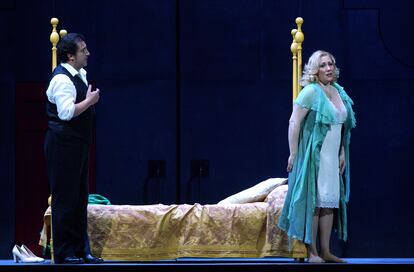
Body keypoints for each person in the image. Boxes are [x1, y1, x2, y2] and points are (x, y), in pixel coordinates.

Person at [278, 50, 356, 263]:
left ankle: (326, 250)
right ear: (314, 69)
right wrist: (293, 153)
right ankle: (311, 251)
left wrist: (341, 152)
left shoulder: (338, 91)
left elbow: (343, 126)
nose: (329, 68)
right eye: (323, 65)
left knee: (329, 202)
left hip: (332, 156)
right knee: (314, 201)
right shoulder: (310, 92)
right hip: (315, 154)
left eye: (331, 64)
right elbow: (294, 123)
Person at [44, 33, 103, 264]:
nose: (87, 53)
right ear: (70, 56)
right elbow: (66, 113)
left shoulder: (78, 74)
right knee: (65, 198)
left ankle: (81, 250)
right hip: (63, 146)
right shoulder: (61, 79)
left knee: (80, 198)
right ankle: (64, 252)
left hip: (78, 144)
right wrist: (90, 101)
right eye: (83, 50)